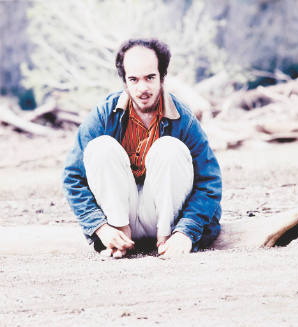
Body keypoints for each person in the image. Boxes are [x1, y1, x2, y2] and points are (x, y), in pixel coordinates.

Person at [63, 38, 222, 259]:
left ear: (162, 77)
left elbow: (209, 181)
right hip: (118, 217)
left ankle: (166, 241)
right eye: (134, 79)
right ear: (125, 81)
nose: (143, 88)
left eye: (150, 78)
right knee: (101, 148)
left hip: (165, 219)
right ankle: (119, 239)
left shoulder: (183, 119)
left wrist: (186, 232)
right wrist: (100, 227)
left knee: (169, 148)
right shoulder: (103, 115)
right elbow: (72, 177)